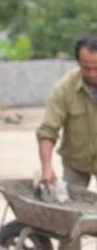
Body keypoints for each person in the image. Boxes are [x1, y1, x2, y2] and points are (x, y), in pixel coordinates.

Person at [37, 34, 97, 191]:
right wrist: (47, 167)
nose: (92, 74)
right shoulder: (65, 88)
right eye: (86, 68)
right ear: (78, 63)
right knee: (69, 208)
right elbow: (48, 130)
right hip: (76, 162)